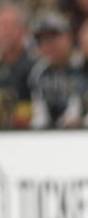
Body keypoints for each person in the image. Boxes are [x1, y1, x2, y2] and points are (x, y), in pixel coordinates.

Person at [27, 10, 85, 128]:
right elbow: (40, 115)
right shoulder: (38, 72)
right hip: (51, 138)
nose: (48, 44)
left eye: (54, 36)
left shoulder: (83, 65)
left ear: (69, 36)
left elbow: (76, 112)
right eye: (42, 40)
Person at [0, 0, 35, 128]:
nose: (5, 31)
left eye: (10, 26)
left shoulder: (35, 68)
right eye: (2, 25)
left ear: (24, 30)